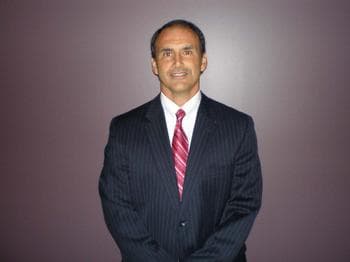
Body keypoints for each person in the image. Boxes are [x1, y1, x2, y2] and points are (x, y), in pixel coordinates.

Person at [99, 19, 262, 262]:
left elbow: (244, 204)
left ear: (203, 61)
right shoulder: (123, 129)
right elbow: (117, 206)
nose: (177, 62)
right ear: (154, 65)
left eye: (187, 51)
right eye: (167, 53)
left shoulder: (238, 127)